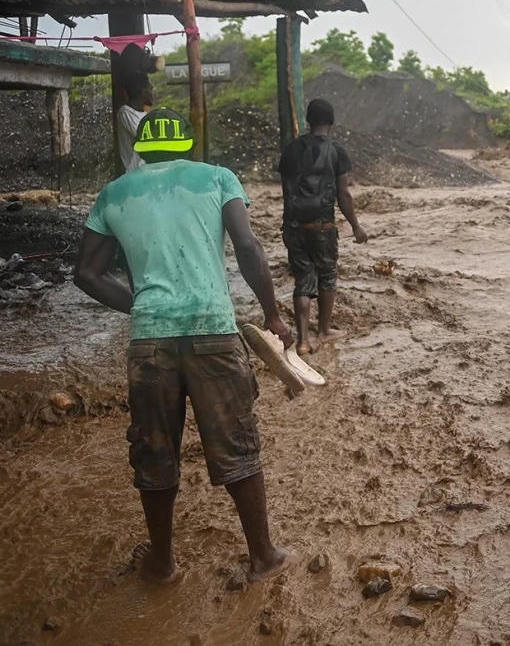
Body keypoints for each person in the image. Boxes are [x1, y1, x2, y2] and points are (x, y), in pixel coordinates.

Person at [73, 108, 293, 584]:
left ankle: (161, 563)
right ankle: (263, 557)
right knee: (237, 445)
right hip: (213, 330)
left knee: (154, 451)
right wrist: (273, 313)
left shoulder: (113, 192)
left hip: (150, 341)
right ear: (187, 143)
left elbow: (86, 273)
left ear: (141, 148)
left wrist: (139, 305)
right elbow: (249, 248)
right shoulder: (217, 178)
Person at [278, 99, 368, 355]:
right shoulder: (337, 151)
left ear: (308, 120)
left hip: (295, 225)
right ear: (330, 121)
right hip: (323, 226)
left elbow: (287, 194)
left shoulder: (291, 150)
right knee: (327, 276)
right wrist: (356, 227)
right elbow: (344, 194)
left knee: (303, 279)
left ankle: (304, 341)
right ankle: (324, 331)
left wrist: (287, 227)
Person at [116, 73, 153, 172]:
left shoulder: (145, 114)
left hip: (147, 171)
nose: (153, 93)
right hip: (134, 173)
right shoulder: (125, 112)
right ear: (142, 91)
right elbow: (145, 136)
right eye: (150, 89)